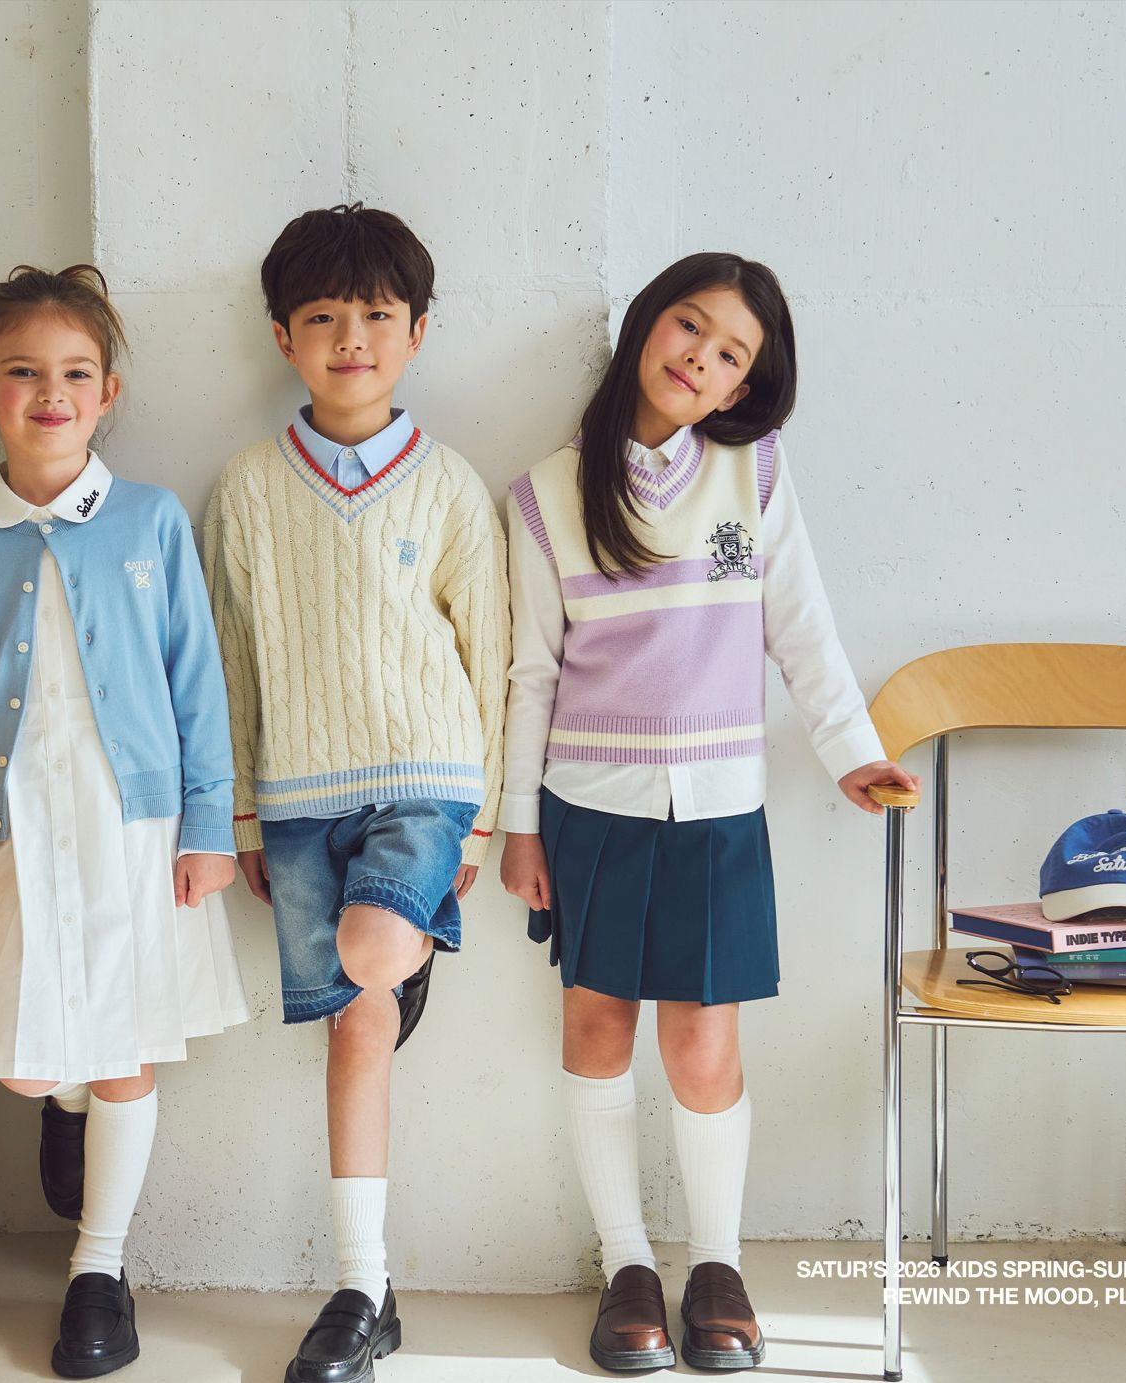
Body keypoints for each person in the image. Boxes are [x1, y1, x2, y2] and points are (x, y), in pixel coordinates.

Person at [498, 252, 920, 1372]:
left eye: (731, 354)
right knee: (597, 1030)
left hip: (720, 810)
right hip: (590, 808)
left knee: (701, 1043)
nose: (701, 358)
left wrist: (852, 753)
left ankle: (717, 1266)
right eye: (690, 326)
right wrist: (519, 825)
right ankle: (626, 1265)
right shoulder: (544, 495)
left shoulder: (754, 474)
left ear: (744, 386)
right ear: (648, 323)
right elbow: (530, 675)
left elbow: (802, 628)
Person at [203, 204, 510, 1383]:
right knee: (355, 1030)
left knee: (374, 952)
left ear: (417, 331)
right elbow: (228, 667)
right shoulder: (243, 489)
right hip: (295, 796)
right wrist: (239, 817)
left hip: (426, 778)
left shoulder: (449, 485)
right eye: (323, 317)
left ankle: (408, 935)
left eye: (377, 315)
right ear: (283, 336)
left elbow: (490, 653)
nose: (351, 339)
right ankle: (363, 1290)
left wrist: (485, 819)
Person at [0, 263, 249, 1378]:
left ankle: (98, 1271)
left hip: (133, 828)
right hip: (13, 824)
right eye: (23, 372)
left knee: (124, 1052)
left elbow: (197, 679)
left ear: (108, 393)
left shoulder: (150, 520)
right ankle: (59, 1100)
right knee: (28, 1064)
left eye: (75, 373)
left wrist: (207, 825)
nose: (50, 393)